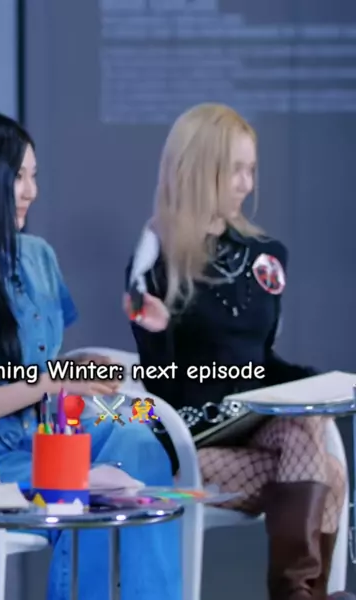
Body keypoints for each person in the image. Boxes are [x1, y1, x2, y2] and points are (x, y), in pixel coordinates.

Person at [0, 110, 182, 600]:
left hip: (46, 436)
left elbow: (45, 364)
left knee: (139, 441)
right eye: (18, 177)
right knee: (93, 489)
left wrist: (80, 377)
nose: (31, 191)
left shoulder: (38, 257)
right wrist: (53, 380)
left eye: (34, 176)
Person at [124, 103, 353, 600]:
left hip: (254, 427)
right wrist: (156, 333)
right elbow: (161, 386)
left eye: (252, 170)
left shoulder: (264, 255)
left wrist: (318, 387)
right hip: (190, 437)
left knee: (306, 428)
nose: (247, 185)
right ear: (199, 169)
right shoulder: (156, 258)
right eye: (236, 171)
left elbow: (258, 361)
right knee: (329, 475)